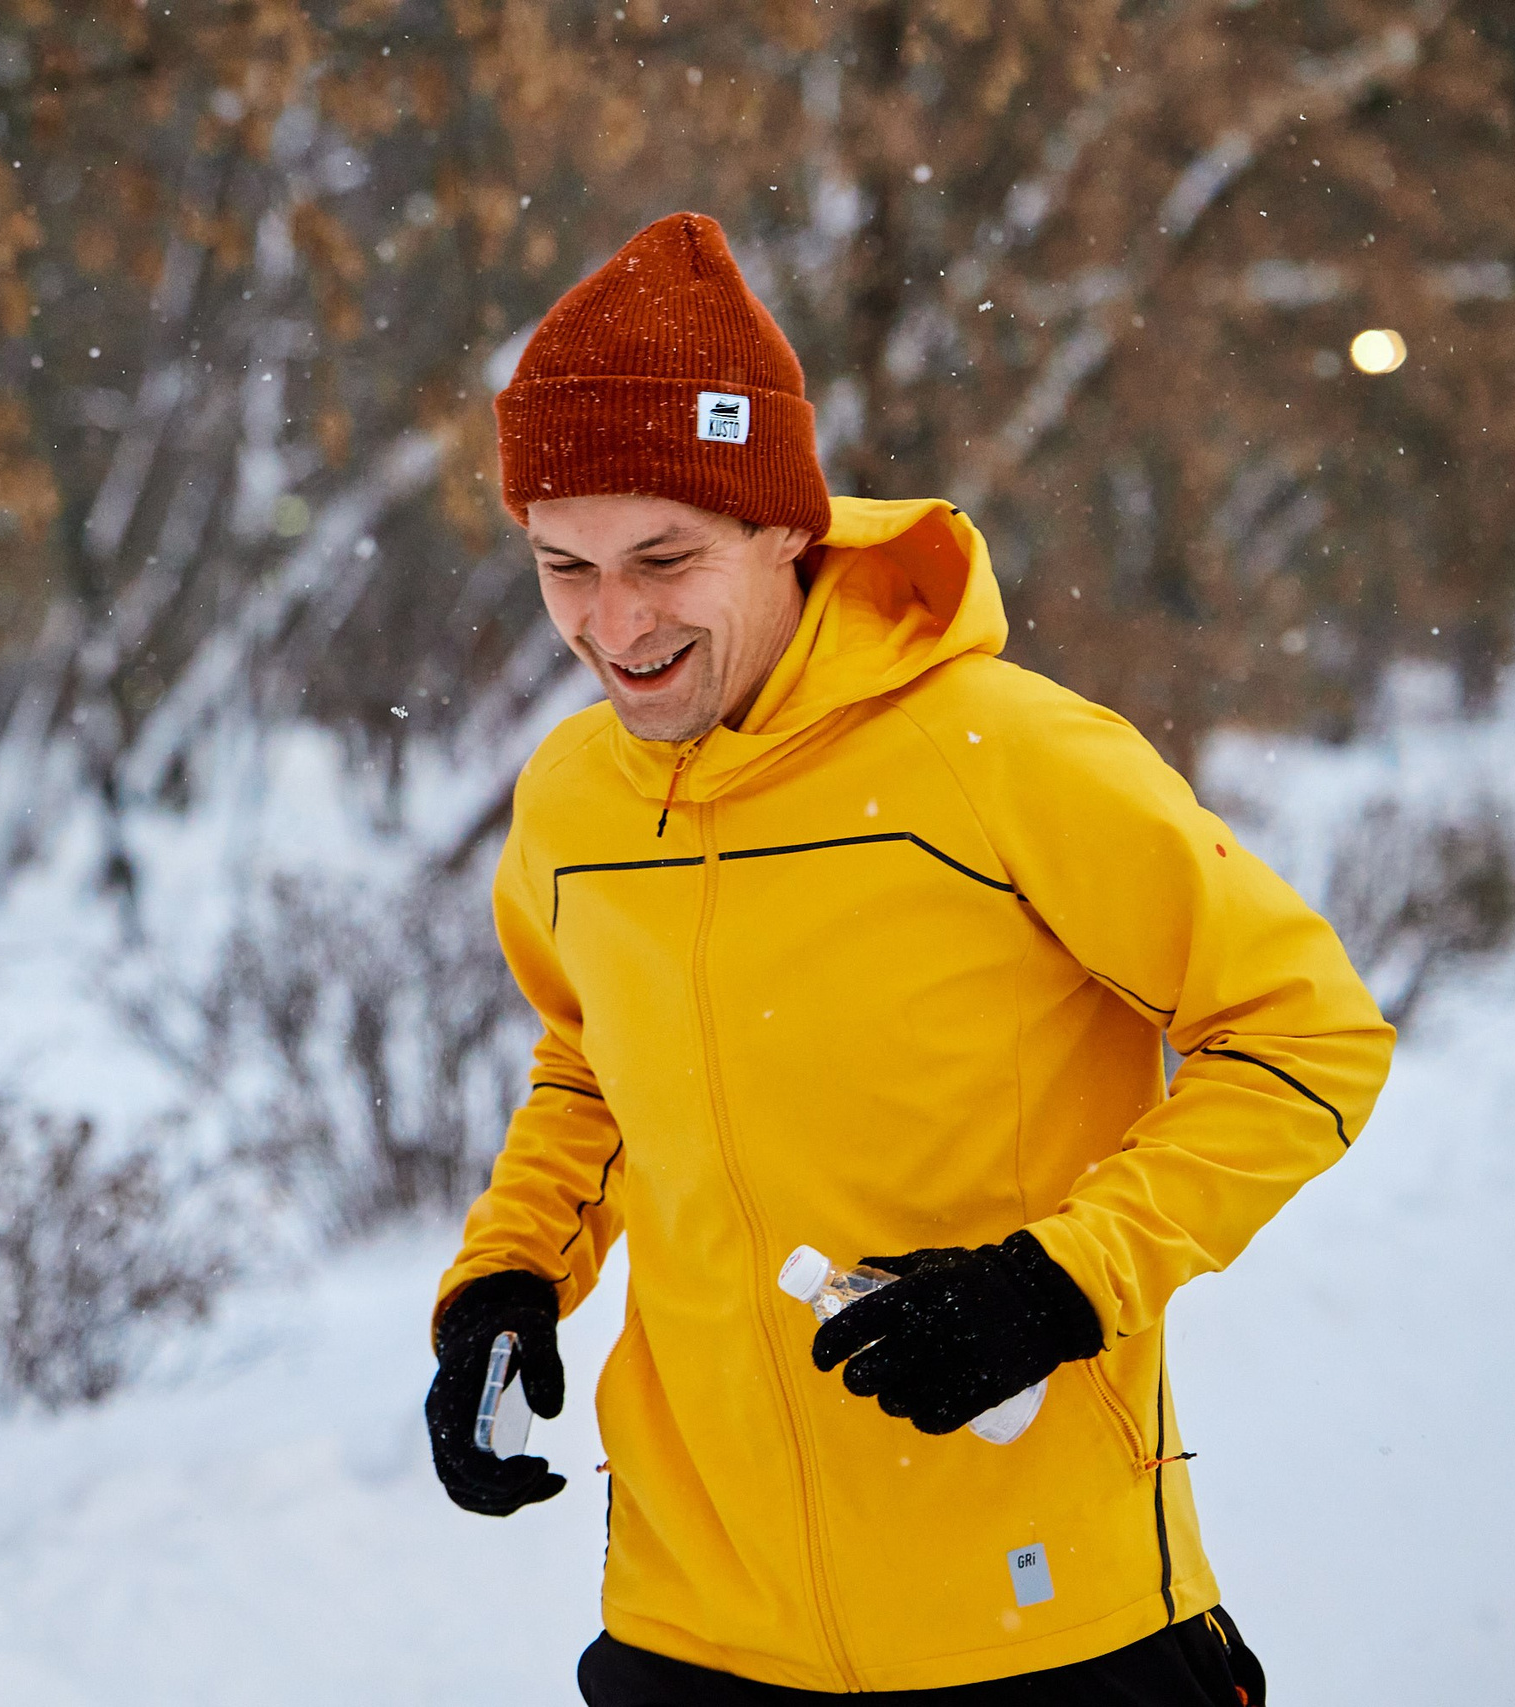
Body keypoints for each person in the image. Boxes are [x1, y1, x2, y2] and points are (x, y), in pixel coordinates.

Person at [423, 211, 1394, 1703]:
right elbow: (593, 1064)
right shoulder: (573, 800)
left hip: (1046, 1622)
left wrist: (1063, 1283)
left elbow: (1307, 1036)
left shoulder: (1003, 756)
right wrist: (508, 1277)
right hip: (694, 1630)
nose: (614, 626)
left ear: (784, 526)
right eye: (565, 568)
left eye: (664, 556)